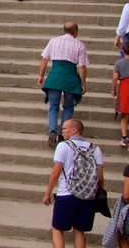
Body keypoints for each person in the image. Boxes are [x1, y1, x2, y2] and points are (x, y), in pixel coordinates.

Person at [44, 119, 104, 248]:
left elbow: (55, 173)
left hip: (66, 194)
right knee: (79, 230)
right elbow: (100, 178)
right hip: (87, 197)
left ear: (74, 130)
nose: (62, 131)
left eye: (65, 128)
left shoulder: (63, 146)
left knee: (57, 229)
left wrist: (47, 193)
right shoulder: (95, 149)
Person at [40, 21, 89, 146]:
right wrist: (83, 82)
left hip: (55, 77)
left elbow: (44, 59)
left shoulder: (53, 41)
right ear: (75, 32)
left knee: (53, 106)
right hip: (70, 78)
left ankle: (52, 131)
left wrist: (41, 75)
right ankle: (63, 133)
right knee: (68, 106)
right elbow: (82, 66)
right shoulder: (80, 45)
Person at [112, 51, 129, 149]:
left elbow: (115, 78)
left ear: (123, 51)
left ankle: (124, 137)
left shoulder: (118, 63)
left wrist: (113, 89)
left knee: (125, 114)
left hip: (125, 87)